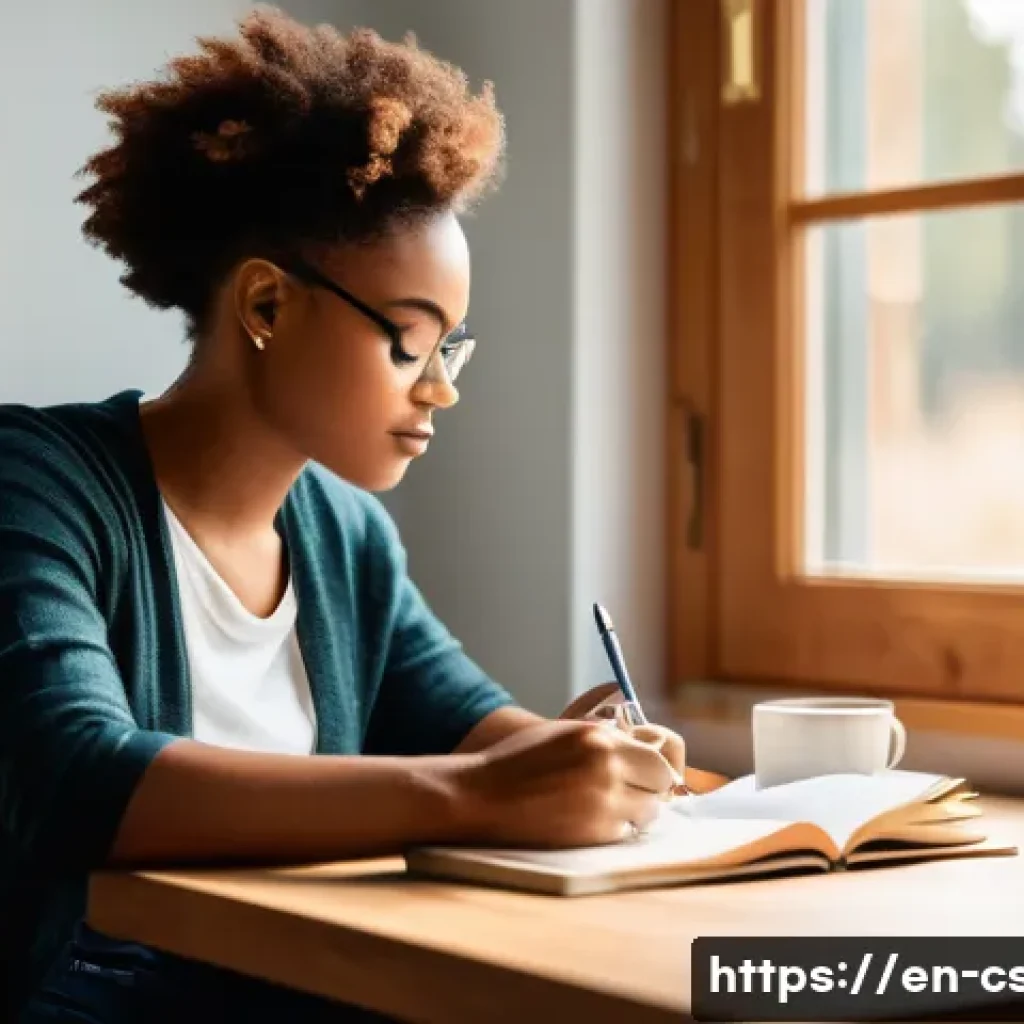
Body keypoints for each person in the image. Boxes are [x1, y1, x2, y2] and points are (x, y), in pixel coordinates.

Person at [0, 9, 723, 1022]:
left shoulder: (345, 536)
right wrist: (481, 796)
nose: (440, 388)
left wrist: (586, 756)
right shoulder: (36, 483)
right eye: (407, 342)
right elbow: (80, 779)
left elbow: (472, 730)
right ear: (265, 307)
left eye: (450, 347)